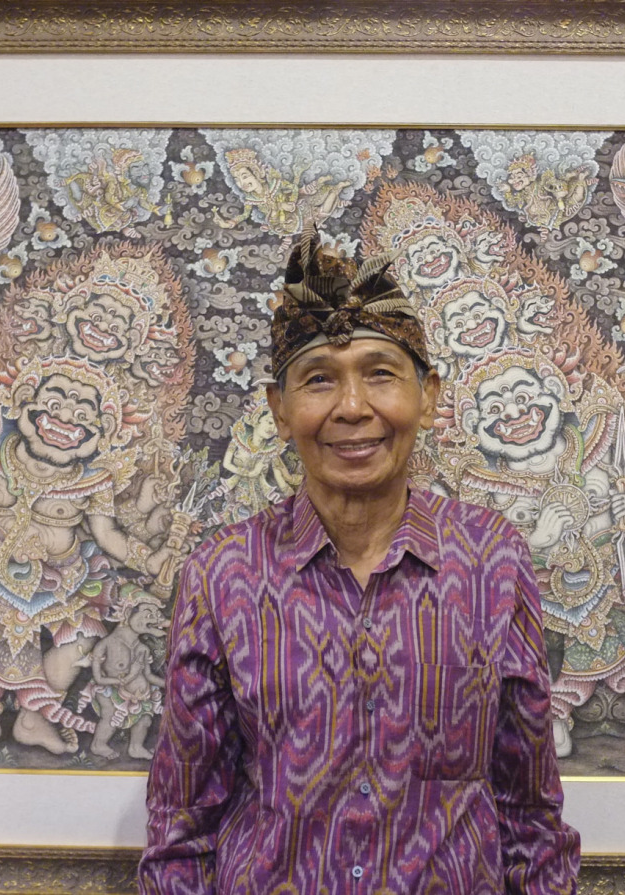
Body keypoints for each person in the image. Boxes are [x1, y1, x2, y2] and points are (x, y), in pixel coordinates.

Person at [139, 228, 580, 893]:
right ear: (279, 409)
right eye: (319, 379)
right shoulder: (223, 574)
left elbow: (529, 812)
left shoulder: (492, 561)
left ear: (428, 396)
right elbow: (182, 824)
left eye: (380, 374)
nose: (352, 407)